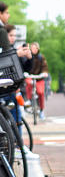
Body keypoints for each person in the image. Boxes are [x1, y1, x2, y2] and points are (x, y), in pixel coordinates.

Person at [4, 25, 38, 158]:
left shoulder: (13, 50)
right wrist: (15, 54)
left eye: (14, 36)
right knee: (9, 118)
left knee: (17, 118)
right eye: (10, 35)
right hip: (4, 90)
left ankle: (18, 146)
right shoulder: (7, 50)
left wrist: (29, 58)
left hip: (13, 89)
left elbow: (27, 68)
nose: (12, 38)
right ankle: (12, 146)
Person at [26, 42, 49, 120]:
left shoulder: (41, 57)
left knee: (41, 93)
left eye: (35, 48)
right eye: (32, 48)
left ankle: (41, 110)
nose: (33, 50)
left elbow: (45, 67)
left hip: (39, 78)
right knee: (28, 83)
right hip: (30, 76)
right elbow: (25, 65)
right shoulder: (28, 56)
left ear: (38, 49)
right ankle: (29, 100)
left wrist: (45, 73)